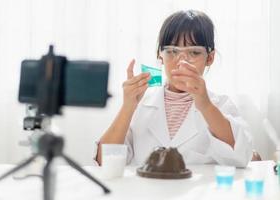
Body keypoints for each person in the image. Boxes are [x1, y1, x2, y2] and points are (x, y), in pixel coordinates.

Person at [95, 10, 252, 167]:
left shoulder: (220, 105)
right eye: (172, 52)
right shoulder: (140, 104)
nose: (181, 62)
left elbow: (240, 156)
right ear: (160, 56)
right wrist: (128, 107)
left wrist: (205, 105)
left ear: (209, 58)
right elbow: (104, 162)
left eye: (194, 52)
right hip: (146, 191)